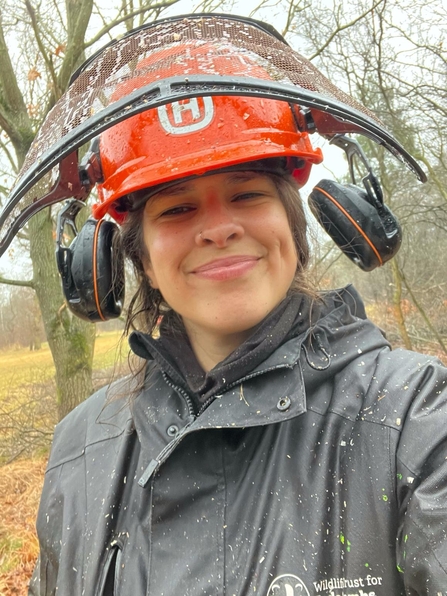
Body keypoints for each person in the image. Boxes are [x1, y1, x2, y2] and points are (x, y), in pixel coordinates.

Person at [22, 13, 447, 596]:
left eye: (247, 194)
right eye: (176, 208)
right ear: (137, 258)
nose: (219, 229)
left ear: (295, 230)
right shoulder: (78, 451)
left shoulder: (417, 420)